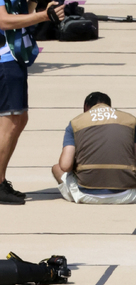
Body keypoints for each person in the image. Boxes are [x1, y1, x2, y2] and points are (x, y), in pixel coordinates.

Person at [51, 90, 136, 205]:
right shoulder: (130, 120)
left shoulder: (75, 122)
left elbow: (65, 166)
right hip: (126, 194)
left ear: (86, 107)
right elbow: (135, 164)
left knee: (57, 168)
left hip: (85, 194)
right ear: (110, 106)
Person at [0, 0, 63, 204]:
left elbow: (20, 16)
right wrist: (44, 15)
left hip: (13, 57)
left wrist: (34, 3)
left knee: (18, 119)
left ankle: (0, 180)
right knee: (11, 121)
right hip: (4, 60)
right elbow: (4, 21)